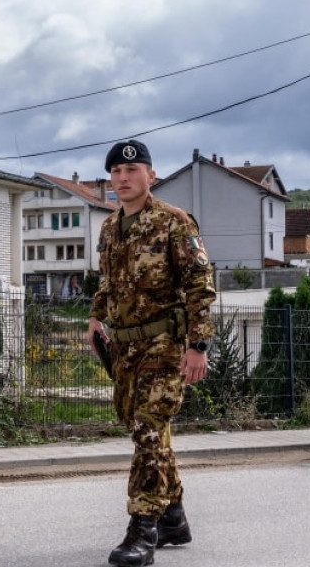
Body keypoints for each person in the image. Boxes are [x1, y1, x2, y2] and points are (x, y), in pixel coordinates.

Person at [85, 140, 216, 567]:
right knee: (147, 431)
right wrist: (95, 317)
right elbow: (108, 281)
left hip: (165, 345)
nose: (123, 179)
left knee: (147, 429)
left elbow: (200, 287)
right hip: (125, 346)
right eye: (116, 173)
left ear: (151, 176)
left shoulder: (174, 222)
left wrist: (198, 346)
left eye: (132, 171)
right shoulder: (110, 227)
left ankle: (143, 529)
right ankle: (174, 517)